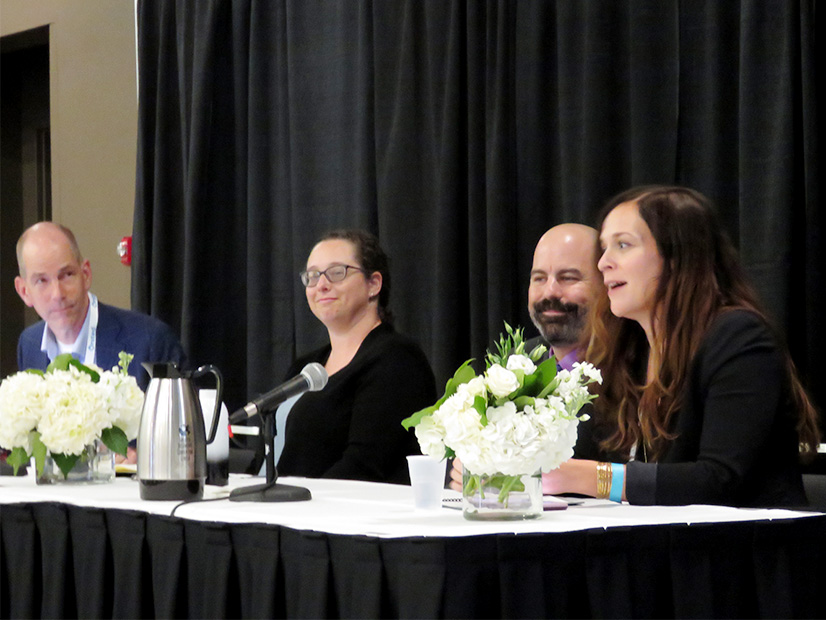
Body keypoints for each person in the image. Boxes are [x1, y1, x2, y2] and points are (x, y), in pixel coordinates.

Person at [543, 185, 820, 507]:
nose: (603, 263)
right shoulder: (630, 350)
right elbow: (594, 456)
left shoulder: (739, 337)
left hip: (752, 535)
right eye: (604, 248)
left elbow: (720, 479)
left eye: (623, 245)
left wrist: (590, 477)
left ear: (677, 256)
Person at [270, 229, 436, 484]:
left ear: (374, 284)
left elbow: (363, 466)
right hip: (281, 504)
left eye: (337, 273)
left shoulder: (397, 360)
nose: (321, 285)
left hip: (335, 507)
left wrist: (299, 501)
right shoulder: (305, 367)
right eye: (312, 276)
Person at [448, 223, 601, 491]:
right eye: (539, 278)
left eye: (568, 278)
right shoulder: (517, 362)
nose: (550, 292)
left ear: (607, 285)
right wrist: (467, 468)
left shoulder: (638, 367)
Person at [14, 222, 186, 391]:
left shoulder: (151, 342)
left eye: (67, 275)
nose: (57, 294)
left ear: (86, 275)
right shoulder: (29, 344)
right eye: (41, 281)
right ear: (24, 291)